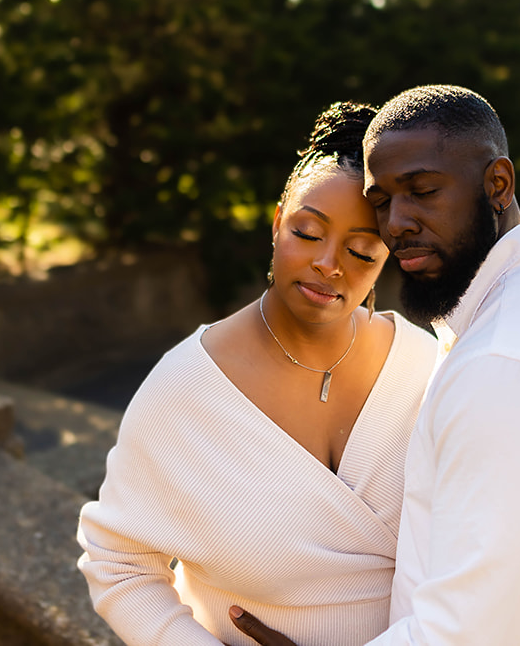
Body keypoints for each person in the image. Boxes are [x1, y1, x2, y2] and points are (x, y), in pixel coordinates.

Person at [230, 85, 520, 646]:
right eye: (382, 201)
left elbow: (472, 633)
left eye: (422, 191)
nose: (397, 223)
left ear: (497, 185)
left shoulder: (509, 364)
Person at [78, 102, 441, 646]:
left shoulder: (428, 368)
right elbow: (118, 563)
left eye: (362, 251)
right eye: (308, 232)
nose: (329, 264)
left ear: (387, 258)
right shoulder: (186, 388)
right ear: (277, 224)